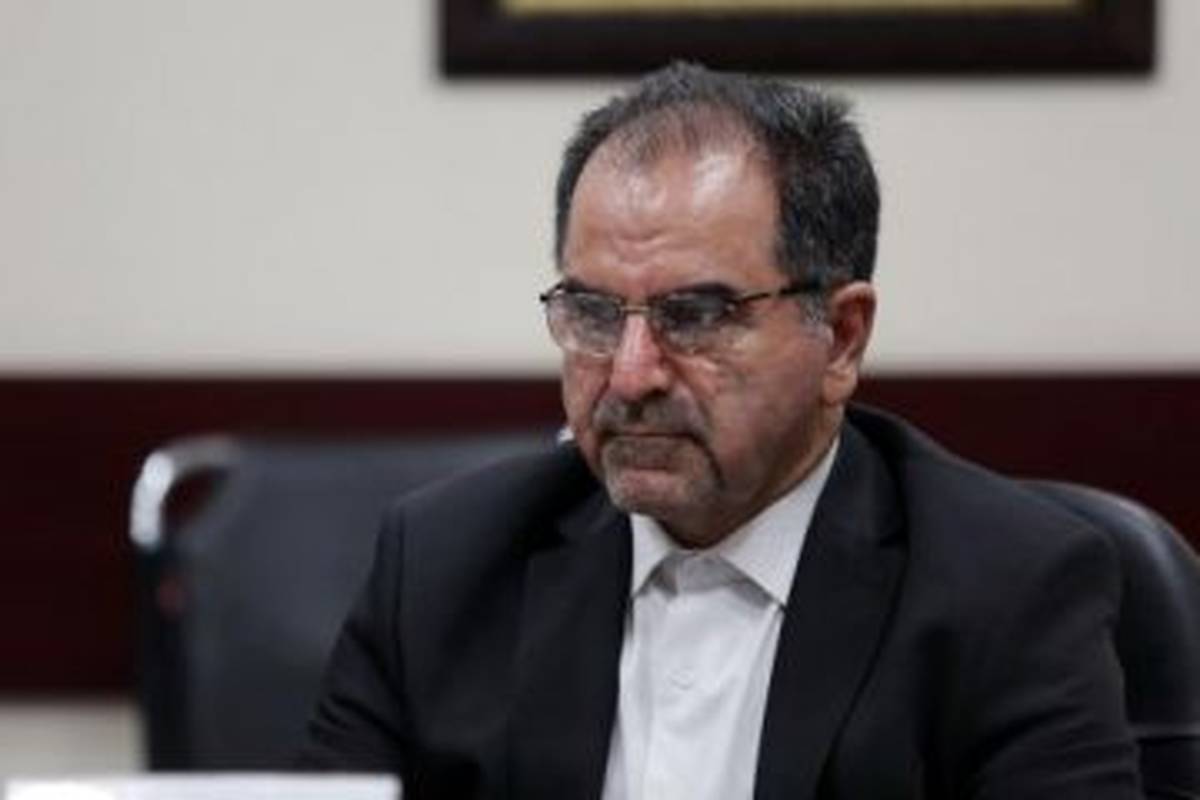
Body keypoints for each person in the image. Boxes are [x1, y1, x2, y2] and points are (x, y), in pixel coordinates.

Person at [300, 63, 1140, 798]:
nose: (631, 375)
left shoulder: (1007, 590)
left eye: (696, 314)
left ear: (841, 339)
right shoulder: (442, 567)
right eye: (593, 313)